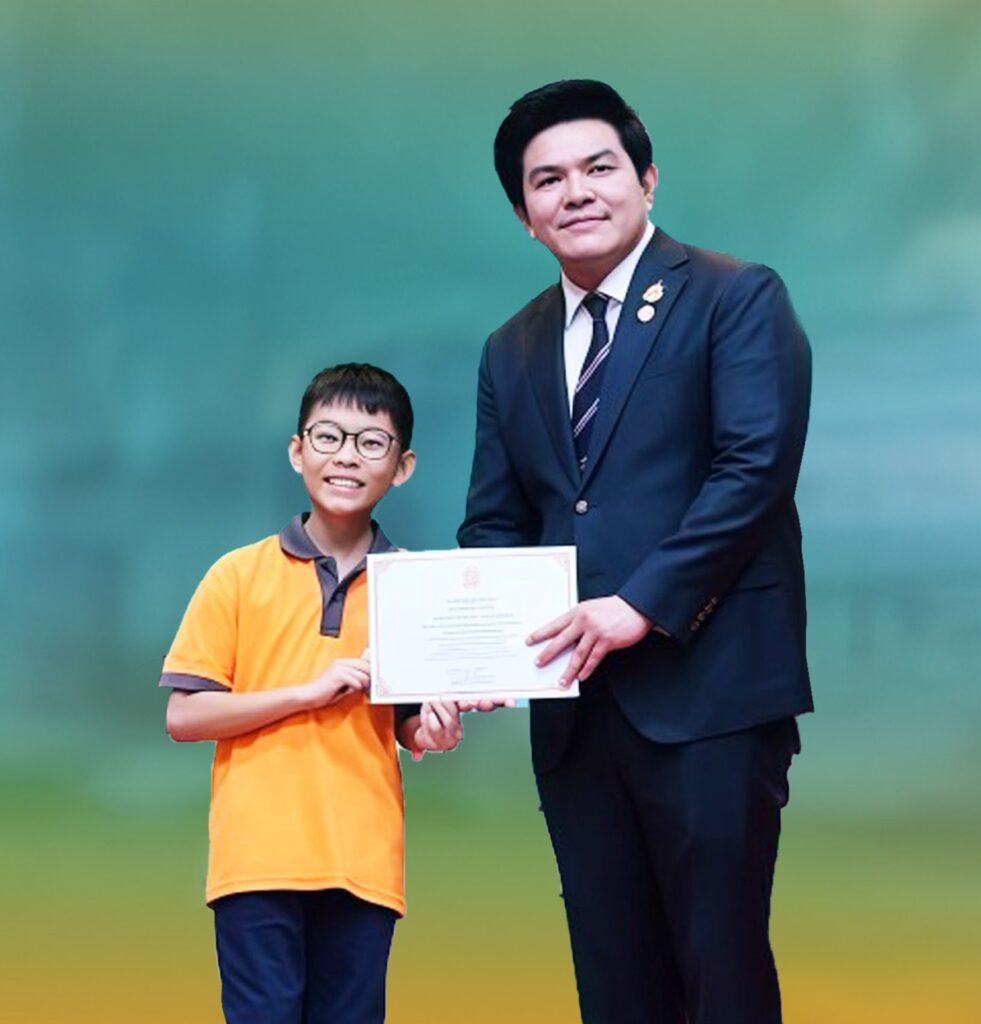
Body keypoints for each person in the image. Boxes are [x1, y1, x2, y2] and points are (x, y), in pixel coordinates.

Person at [458, 80, 813, 1024]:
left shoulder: (736, 297)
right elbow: (495, 520)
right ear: (524, 214)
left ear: (647, 179)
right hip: (577, 717)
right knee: (614, 984)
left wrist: (641, 603)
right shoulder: (511, 348)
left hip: (709, 695)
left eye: (598, 168)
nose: (575, 192)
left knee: (720, 971)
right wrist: (473, 652)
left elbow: (754, 470)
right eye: (547, 180)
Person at [161, 363, 464, 1024]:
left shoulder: (414, 585)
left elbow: (411, 725)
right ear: (298, 451)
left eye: (371, 442)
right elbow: (184, 715)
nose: (347, 457)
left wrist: (433, 732)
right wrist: (307, 693)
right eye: (328, 437)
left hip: (364, 861)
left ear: (403, 466)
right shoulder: (237, 575)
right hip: (257, 860)